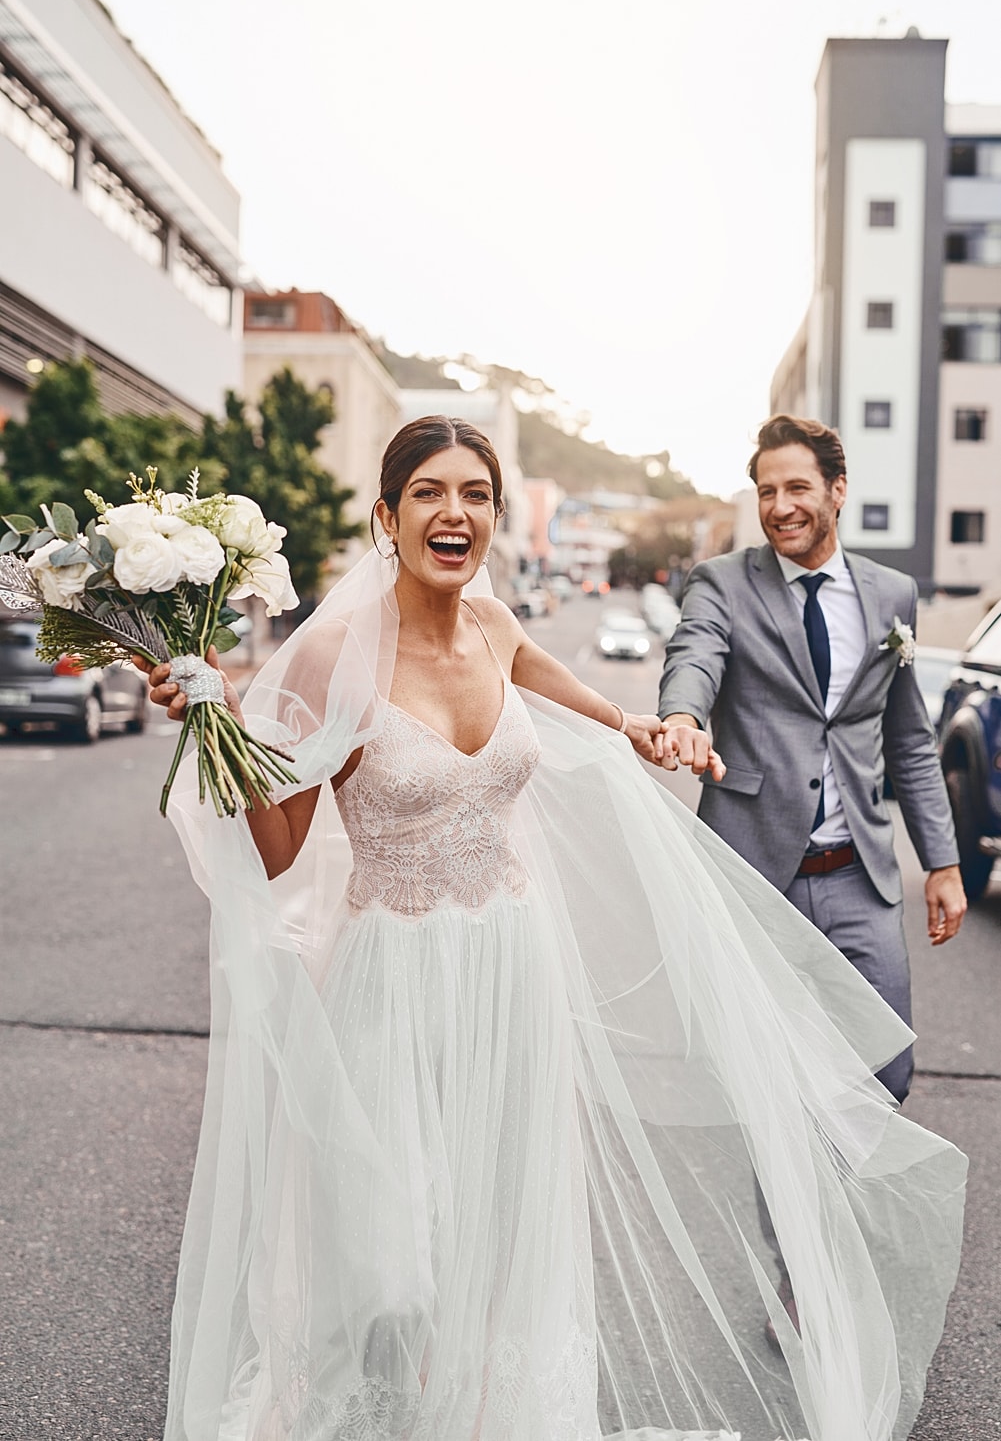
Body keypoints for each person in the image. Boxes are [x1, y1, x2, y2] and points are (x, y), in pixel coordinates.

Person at [145, 416, 964, 1441]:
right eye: (431, 493)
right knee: (388, 1267)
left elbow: (578, 702)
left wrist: (649, 729)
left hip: (511, 969)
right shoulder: (329, 656)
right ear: (386, 516)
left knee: (499, 1239)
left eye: (476, 494)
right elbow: (276, 851)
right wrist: (209, 722)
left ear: (492, 513)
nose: (456, 513)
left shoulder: (493, 627)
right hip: (392, 980)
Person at [658, 412, 966, 1339]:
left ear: (836, 489)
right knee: (778, 1079)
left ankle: (819, 1206)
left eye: (796, 487)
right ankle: (802, 1274)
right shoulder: (723, 583)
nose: (779, 506)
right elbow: (694, 660)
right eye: (764, 491)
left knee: (886, 1067)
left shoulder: (889, 596)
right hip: (759, 877)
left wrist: (942, 863)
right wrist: (682, 718)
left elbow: (907, 738)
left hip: (859, 874)